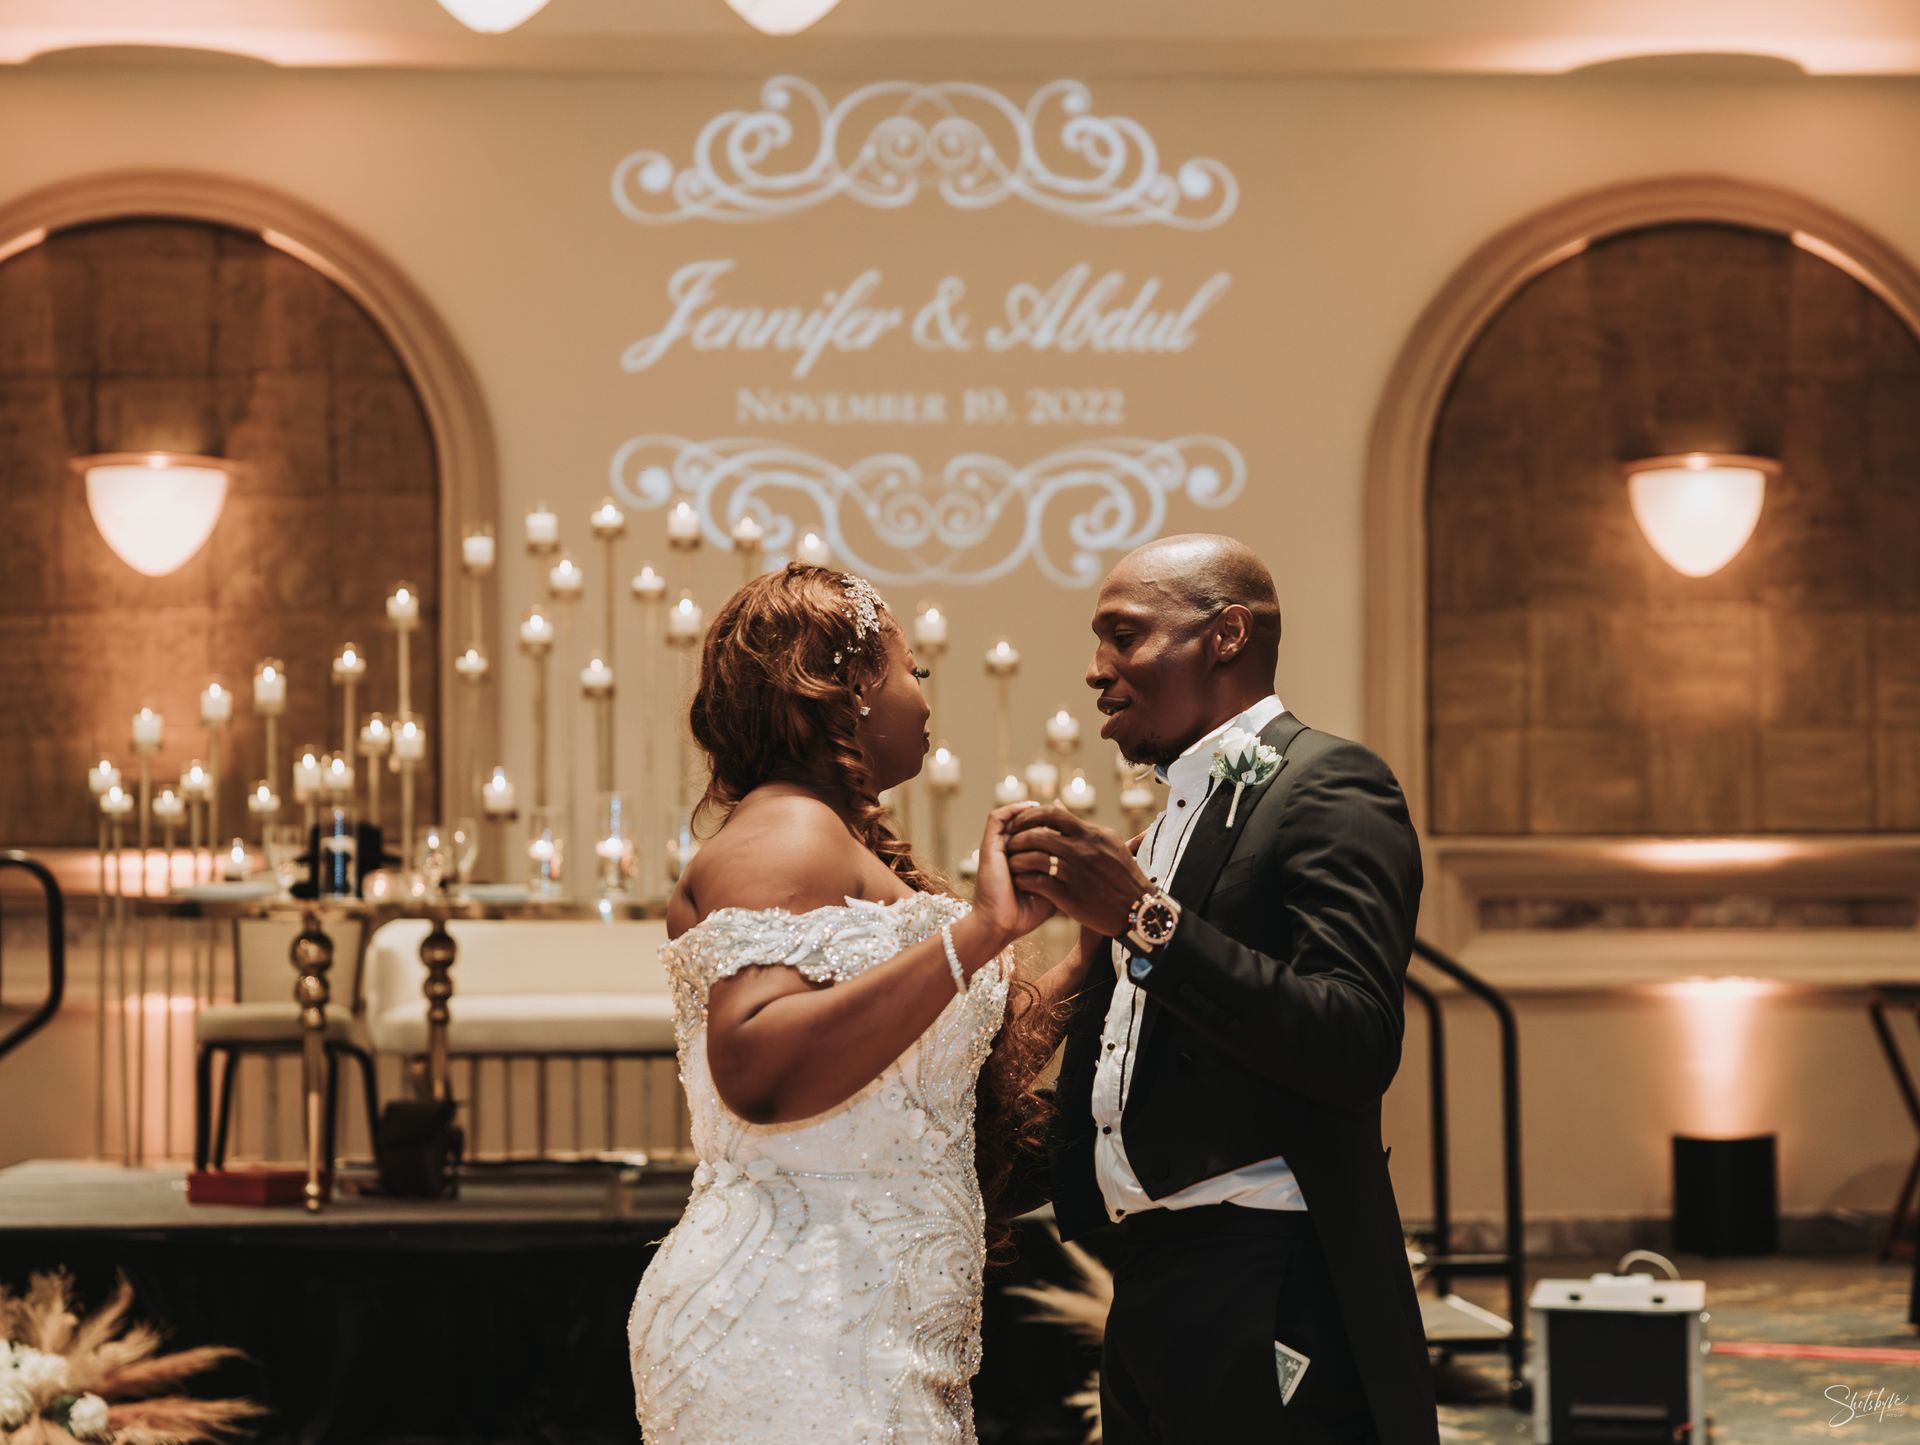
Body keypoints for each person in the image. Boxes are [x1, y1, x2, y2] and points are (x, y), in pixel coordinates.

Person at [628, 563, 1092, 1443]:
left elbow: (926, 1082)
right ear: (851, 689)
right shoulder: (785, 833)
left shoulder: (830, 838)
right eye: (915, 668)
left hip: (866, 1323)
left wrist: (1089, 957)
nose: (926, 694)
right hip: (793, 1326)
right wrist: (981, 932)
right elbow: (759, 1066)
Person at [1003, 533, 1439, 1444]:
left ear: (1228, 633)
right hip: (1151, 1273)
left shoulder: (1333, 784)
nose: (1096, 669)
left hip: (1266, 1272)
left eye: (1124, 635)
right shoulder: (1165, 823)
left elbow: (1355, 1041)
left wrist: (1144, 918)